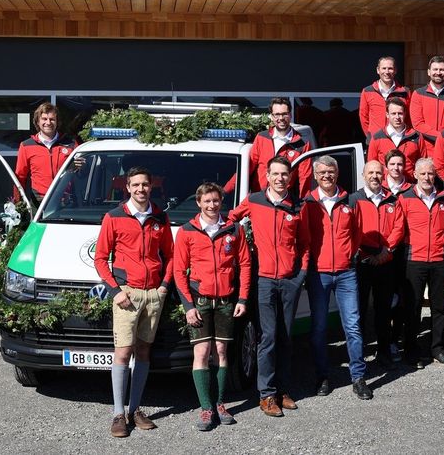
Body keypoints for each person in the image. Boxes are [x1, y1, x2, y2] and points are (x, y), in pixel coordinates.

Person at [93, 166, 173, 437]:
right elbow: (100, 258)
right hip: (126, 294)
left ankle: (135, 409)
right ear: (127, 187)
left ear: (151, 187)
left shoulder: (160, 217)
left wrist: (164, 286)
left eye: (145, 184)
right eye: (135, 185)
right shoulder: (114, 217)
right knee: (123, 352)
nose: (141, 189)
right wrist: (115, 291)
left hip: (153, 295)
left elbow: (171, 256)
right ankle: (118, 414)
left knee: (143, 351)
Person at [226, 156, 309, 417]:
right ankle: (266, 394)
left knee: (285, 337)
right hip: (263, 280)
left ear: (290, 177)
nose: (280, 178)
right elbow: (230, 220)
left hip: (290, 280)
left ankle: (283, 390)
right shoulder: (254, 200)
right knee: (268, 337)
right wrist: (238, 249)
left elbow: (305, 244)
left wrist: (301, 274)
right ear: (267, 176)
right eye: (276, 174)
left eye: (284, 174)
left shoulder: (298, 206)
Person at [172, 182, 250, 431]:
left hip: (226, 301)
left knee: (221, 351)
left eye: (215, 200)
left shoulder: (234, 229)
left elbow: (245, 265)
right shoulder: (187, 231)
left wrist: (243, 298)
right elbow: (178, 271)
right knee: (202, 352)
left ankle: (220, 404)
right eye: (207, 201)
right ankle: (206, 408)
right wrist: (188, 306)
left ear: (221, 202)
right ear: (199, 203)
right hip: (200, 301)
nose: (212, 205)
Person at [302, 156, 371, 400]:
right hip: (318, 273)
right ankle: (322, 376)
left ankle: (358, 377)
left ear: (337, 173)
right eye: (322, 172)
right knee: (319, 327)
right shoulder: (308, 203)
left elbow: (357, 232)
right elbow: (304, 237)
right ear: (315, 175)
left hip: (345, 273)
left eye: (330, 171)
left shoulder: (350, 201)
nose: (327, 176)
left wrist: (349, 256)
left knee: (352, 326)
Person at [397, 159, 444, 368]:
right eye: (423, 174)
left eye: (430, 174)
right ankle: (411, 349)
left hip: (439, 259)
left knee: (439, 307)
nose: (427, 178)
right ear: (415, 175)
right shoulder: (405, 198)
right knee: (412, 308)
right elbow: (399, 228)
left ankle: (437, 348)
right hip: (414, 260)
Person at [351, 160, 406, 367]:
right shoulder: (354, 199)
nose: (374, 176)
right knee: (359, 309)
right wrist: (374, 250)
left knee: (383, 310)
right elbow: (354, 229)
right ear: (363, 175)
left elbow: (399, 227)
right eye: (370, 173)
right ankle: (359, 354)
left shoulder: (392, 199)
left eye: (378, 173)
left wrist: (386, 251)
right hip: (363, 262)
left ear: (383, 176)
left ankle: (383, 352)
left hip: (386, 262)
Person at [14, 102, 79, 200]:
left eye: (52, 119)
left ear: (57, 122)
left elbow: (84, 173)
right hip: (39, 201)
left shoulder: (71, 144)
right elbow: (20, 177)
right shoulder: (26, 146)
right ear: (37, 121)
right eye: (44, 119)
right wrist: (18, 202)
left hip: (65, 200)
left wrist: (79, 167)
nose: (48, 123)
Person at [249, 97, 313, 195]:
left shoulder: (302, 144)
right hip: (260, 197)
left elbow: (305, 177)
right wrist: (226, 190)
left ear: (290, 115)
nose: (281, 118)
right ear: (272, 116)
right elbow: (248, 167)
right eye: (277, 114)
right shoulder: (261, 137)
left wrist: (304, 202)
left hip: (285, 199)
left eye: (284, 114)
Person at [410, 56, 444, 154]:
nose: (438, 72)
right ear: (428, 72)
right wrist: (440, 137)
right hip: (425, 149)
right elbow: (418, 124)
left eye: (442, 70)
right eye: (435, 69)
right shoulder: (418, 94)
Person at [366, 97, 424, 178]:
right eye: (393, 113)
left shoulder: (416, 136)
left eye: (400, 113)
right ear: (387, 115)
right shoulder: (377, 137)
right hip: (384, 184)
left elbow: (422, 165)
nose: (397, 117)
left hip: (410, 183)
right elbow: (371, 166)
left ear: (405, 114)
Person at [359, 56, 410, 137]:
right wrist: (370, 137)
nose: (387, 72)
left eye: (390, 68)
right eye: (384, 68)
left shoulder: (405, 92)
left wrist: (406, 136)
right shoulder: (367, 91)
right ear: (378, 70)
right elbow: (364, 118)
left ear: (395, 70)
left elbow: (408, 117)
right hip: (376, 140)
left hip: (399, 138)